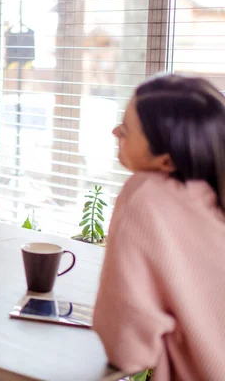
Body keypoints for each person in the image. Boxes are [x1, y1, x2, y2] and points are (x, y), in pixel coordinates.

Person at [93, 74, 225, 380]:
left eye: (125, 130)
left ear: (166, 162)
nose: (115, 132)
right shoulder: (212, 194)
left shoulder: (145, 197)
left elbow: (127, 350)